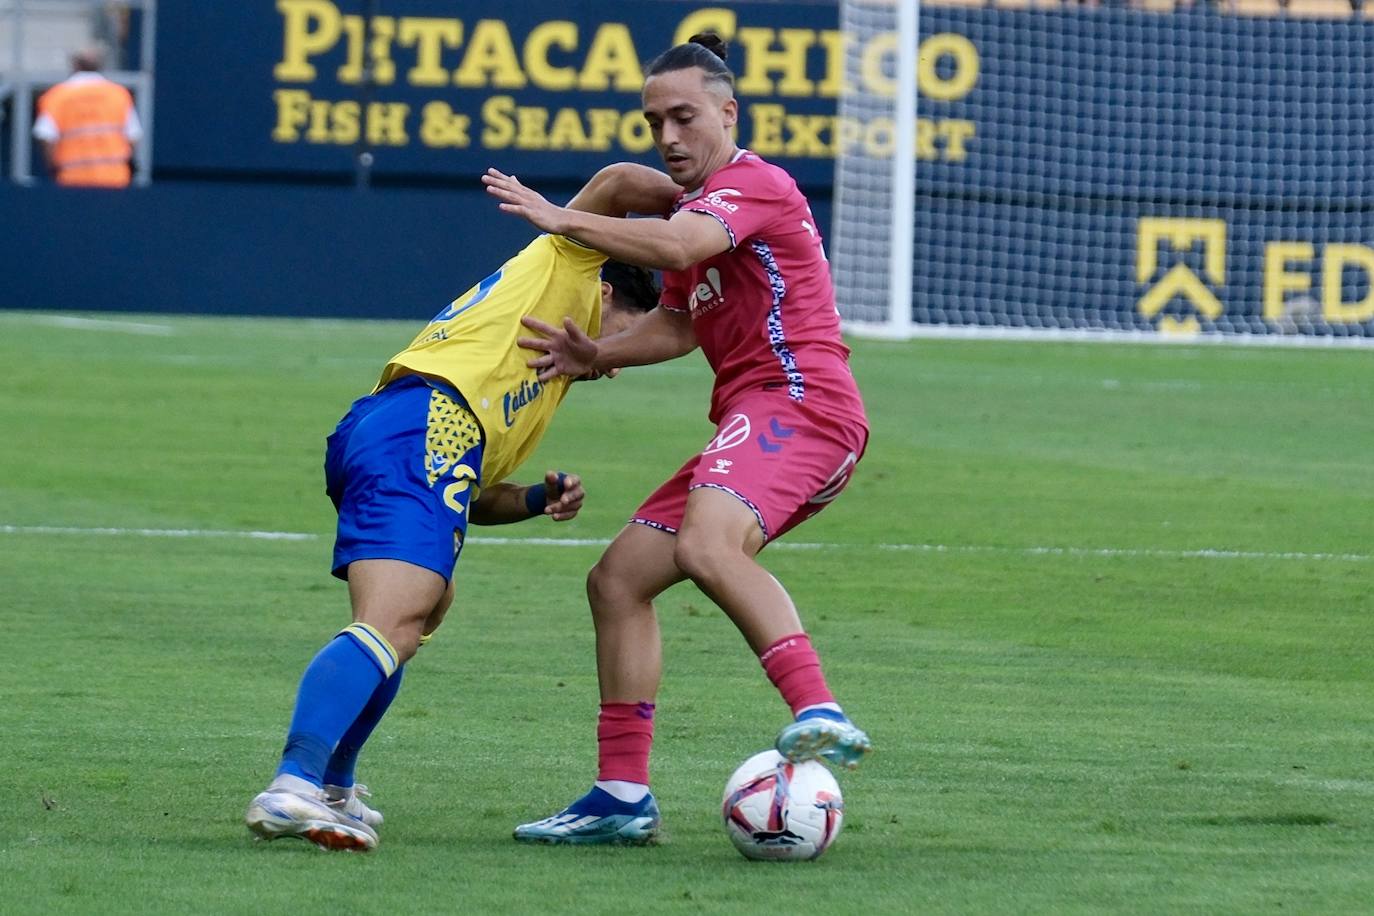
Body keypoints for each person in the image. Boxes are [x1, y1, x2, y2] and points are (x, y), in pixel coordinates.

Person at [483, 32, 872, 846]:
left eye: (684, 117)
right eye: (654, 121)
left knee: (705, 546)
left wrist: (564, 217)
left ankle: (818, 708)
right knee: (617, 580)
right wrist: (597, 353)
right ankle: (622, 796)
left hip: (802, 405)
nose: (668, 136)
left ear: (729, 114)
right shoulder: (697, 208)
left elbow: (680, 245)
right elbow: (678, 323)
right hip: (756, 416)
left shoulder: (753, 184)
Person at [243, 163, 679, 852]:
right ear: (604, 292)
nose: (621, 361)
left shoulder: (545, 382)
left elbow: (467, 495)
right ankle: (292, 784)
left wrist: (533, 499)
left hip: (410, 434)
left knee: (419, 614)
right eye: (630, 330)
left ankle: (331, 785)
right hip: (420, 424)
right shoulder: (569, 264)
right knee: (394, 615)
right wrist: (719, 205)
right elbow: (621, 181)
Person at [31, 47, 142, 188]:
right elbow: (133, 137)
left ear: (75, 65)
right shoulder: (119, 95)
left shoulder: (57, 96)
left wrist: (53, 167)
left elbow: (46, 137)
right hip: (114, 180)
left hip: (72, 180)